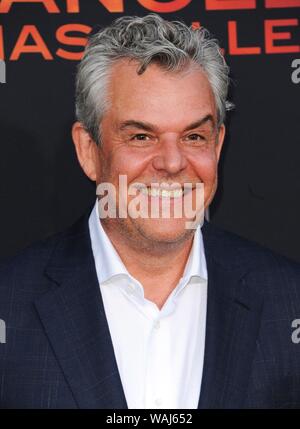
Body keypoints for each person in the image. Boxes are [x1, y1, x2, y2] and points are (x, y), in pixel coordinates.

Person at [0, 14, 300, 410]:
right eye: (141, 136)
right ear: (89, 151)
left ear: (218, 145)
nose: (173, 162)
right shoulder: (9, 305)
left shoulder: (289, 301)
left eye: (194, 136)